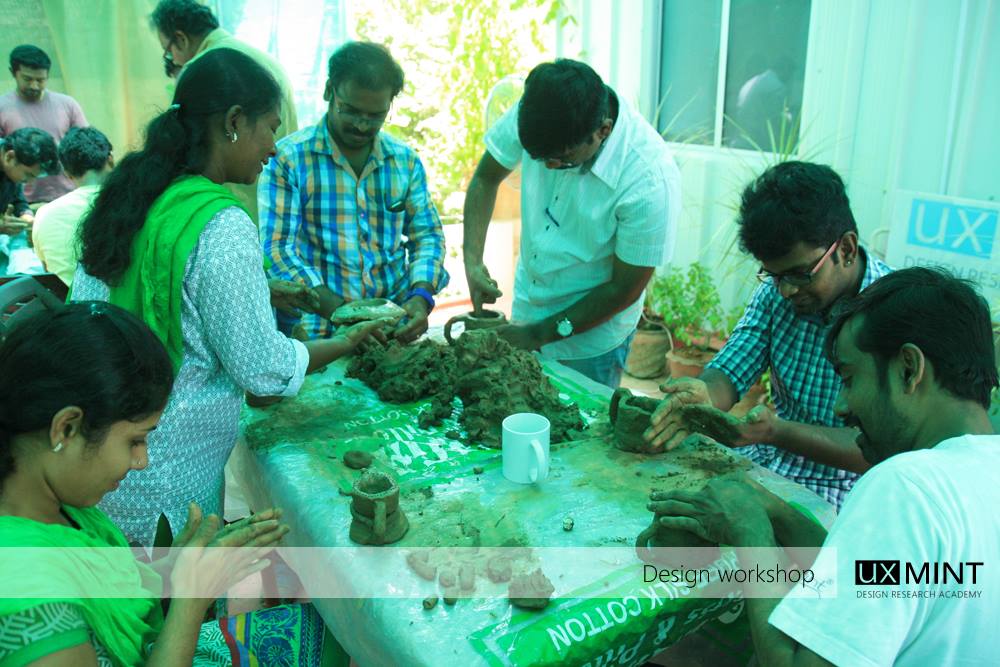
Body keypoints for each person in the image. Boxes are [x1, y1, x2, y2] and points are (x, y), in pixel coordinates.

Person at [73, 48, 384, 546]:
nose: (274, 147)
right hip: (165, 477)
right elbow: (262, 373)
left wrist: (261, 293)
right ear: (234, 122)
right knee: (178, 608)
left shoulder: (132, 195)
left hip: (101, 466)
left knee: (127, 611)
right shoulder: (221, 223)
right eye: (269, 128)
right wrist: (349, 341)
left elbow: (152, 299)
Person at [648, 267, 999, 665]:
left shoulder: (906, 487)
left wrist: (751, 534)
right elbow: (883, 578)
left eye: (849, 379)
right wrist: (773, 510)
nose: (841, 406)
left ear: (908, 368)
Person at [0, 302, 345, 666]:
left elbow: (117, 590)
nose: (141, 461)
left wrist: (169, 571)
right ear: (66, 428)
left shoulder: (50, 504)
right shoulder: (27, 602)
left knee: (337, 621)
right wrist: (190, 599)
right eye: (135, 440)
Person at [645, 161, 892, 508]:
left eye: (800, 275)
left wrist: (776, 431)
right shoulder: (777, 293)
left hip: (847, 491)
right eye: (775, 276)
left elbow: (877, 449)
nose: (787, 291)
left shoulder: (894, 313)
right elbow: (730, 371)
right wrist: (703, 394)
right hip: (770, 464)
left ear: (847, 250)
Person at [462, 59, 681, 389]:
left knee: (579, 432)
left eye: (561, 160)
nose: (548, 167)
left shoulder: (648, 180)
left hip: (592, 342)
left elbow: (624, 288)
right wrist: (472, 261)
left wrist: (536, 334)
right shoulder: (540, 111)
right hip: (529, 306)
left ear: (602, 131)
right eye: (539, 158)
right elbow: (485, 178)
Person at [259, 41, 449, 343]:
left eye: (375, 115)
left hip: (393, 331)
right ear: (329, 91)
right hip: (319, 334)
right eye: (350, 111)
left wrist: (420, 296)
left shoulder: (404, 161)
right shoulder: (289, 160)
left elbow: (427, 236)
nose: (362, 125)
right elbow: (278, 250)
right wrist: (345, 315)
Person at [151, 0, 297, 223]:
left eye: (168, 54)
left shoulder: (203, 69)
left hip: (232, 207)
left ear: (180, 39)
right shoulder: (265, 61)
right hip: (277, 206)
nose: (173, 61)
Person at [0, 45, 87, 203]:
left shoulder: (67, 105)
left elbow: (84, 145)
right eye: (27, 79)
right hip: (22, 201)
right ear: (13, 73)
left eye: (40, 80)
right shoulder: (2, 108)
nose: (34, 85)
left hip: (66, 194)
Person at [32, 126, 113, 286]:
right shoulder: (134, 204)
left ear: (67, 172)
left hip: (69, 307)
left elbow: (47, 269)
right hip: (123, 308)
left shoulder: (45, 213)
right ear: (110, 159)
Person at [0, 126, 58, 275]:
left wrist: (27, 217)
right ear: (10, 157)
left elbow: (18, 200)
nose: (29, 182)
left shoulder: (12, 169)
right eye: (28, 175)